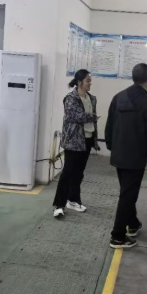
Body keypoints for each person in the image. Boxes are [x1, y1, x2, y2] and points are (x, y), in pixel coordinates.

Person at [105, 63, 147, 249]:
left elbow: (109, 125)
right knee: (128, 196)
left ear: (133, 77)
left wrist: (111, 146)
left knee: (126, 193)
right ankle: (117, 237)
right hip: (135, 158)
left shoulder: (118, 97)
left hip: (119, 155)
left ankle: (133, 224)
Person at [53, 69, 99, 218]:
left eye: (90, 81)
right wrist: (91, 117)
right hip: (73, 141)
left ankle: (73, 200)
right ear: (79, 82)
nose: (90, 84)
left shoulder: (91, 98)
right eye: (87, 81)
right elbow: (75, 116)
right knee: (67, 173)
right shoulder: (70, 98)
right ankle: (59, 205)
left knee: (79, 173)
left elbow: (88, 119)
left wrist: (94, 134)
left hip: (87, 140)